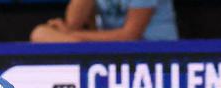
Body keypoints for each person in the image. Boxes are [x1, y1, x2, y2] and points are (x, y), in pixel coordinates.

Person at [30, 0, 178, 43]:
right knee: (40, 33)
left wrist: (72, 35)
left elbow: (130, 35)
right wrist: (70, 34)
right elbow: (72, 23)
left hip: (155, 52)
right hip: (111, 50)